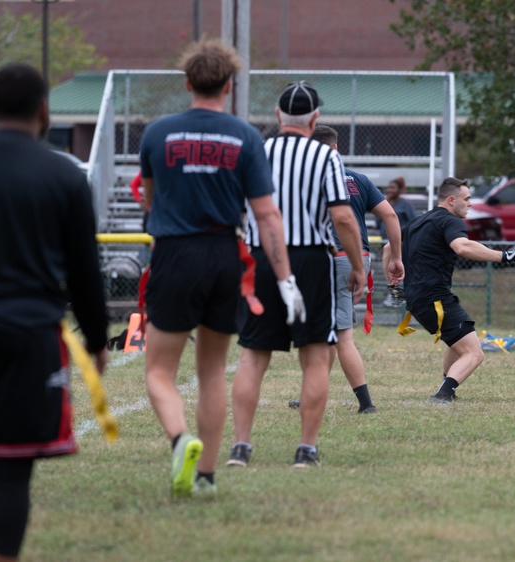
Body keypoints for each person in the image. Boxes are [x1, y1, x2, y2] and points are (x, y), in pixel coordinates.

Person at [0, 63, 108, 561]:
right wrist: (97, 341)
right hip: (27, 330)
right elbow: (84, 270)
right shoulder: (62, 174)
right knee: (11, 467)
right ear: (44, 112)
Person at [138, 38, 300, 498]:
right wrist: (285, 277)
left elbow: (149, 201)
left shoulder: (157, 133)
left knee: (158, 371)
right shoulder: (246, 136)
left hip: (174, 254)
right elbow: (267, 214)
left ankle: (179, 439)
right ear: (229, 86)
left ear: (188, 82)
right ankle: (206, 475)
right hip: (225, 256)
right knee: (211, 372)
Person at [228, 81, 365, 469]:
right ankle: (306, 448)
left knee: (253, 356)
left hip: (260, 259)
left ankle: (241, 446)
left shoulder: (256, 151)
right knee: (316, 357)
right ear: (315, 118)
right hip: (310, 259)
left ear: (277, 115)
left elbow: (238, 209)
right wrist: (356, 266)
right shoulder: (326, 157)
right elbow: (342, 216)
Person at [281, 125, 404, 415]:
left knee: (340, 334)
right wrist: (396, 257)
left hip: (324, 258)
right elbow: (390, 215)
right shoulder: (358, 180)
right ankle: (313, 391)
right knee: (332, 329)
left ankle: (366, 403)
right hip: (356, 258)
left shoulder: (304, 179)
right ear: (336, 148)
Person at [390, 177, 515, 403]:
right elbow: (462, 246)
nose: (470, 204)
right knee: (475, 353)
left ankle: (448, 386)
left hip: (417, 300)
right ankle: (443, 395)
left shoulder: (419, 221)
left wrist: (393, 282)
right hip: (435, 298)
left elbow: (390, 246)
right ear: (451, 200)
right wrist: (504, 256)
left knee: (459, 337)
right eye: (466, 199)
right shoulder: (451, 221)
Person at [379, 176, 417, 307]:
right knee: (386, 249)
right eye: (388, 187)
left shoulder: (405, 204)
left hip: (402, 241)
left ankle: (395, 289)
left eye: (393, 188)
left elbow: (413, 221)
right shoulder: (384, 203)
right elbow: (380, 223)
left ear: (400, 190)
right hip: (385, 240)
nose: (389, 190)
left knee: (388, 249)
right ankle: (394, 291)